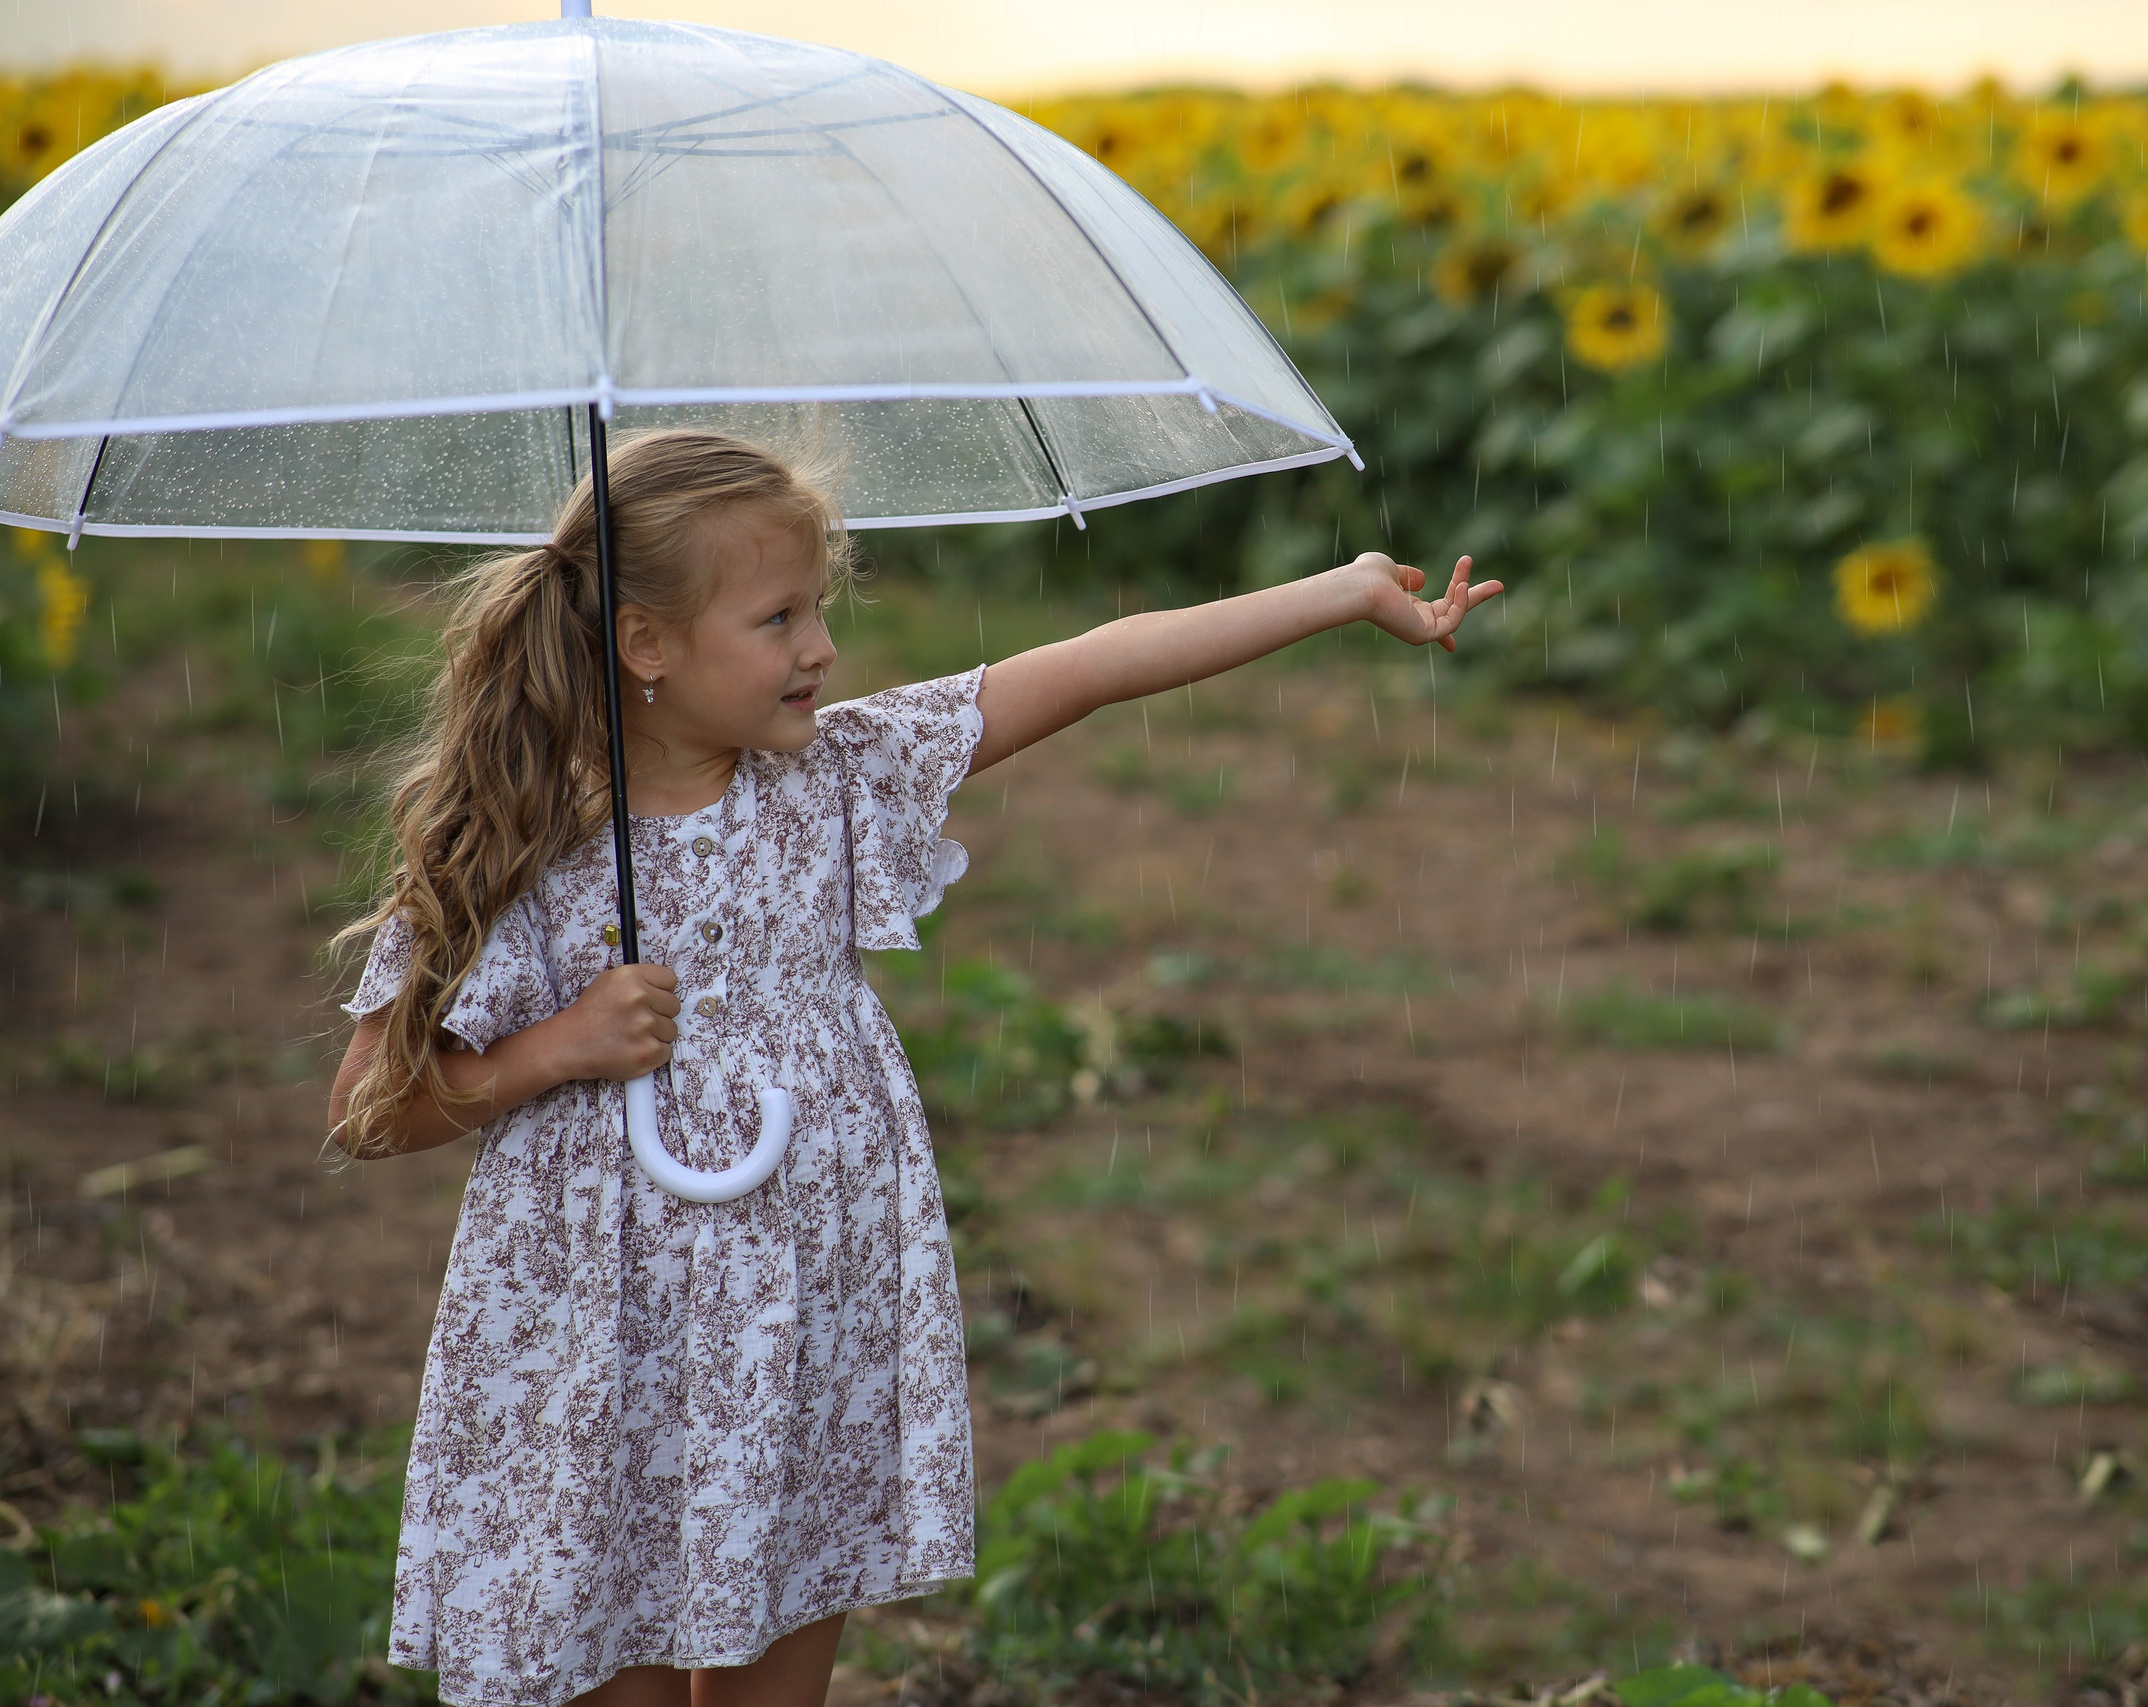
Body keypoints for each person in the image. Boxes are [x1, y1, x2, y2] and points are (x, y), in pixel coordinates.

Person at [327, 429, 1499, 1707]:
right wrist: (549, 1052)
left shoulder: (841, 777)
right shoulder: (522, 843)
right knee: (608, 1652)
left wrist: (1340, 592)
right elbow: (372, 1108)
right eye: (778, 618)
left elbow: (1091, 667)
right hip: (602, 1342)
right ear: (646, 643)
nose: (821, 649)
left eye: (817, 610)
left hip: (804, 1312)